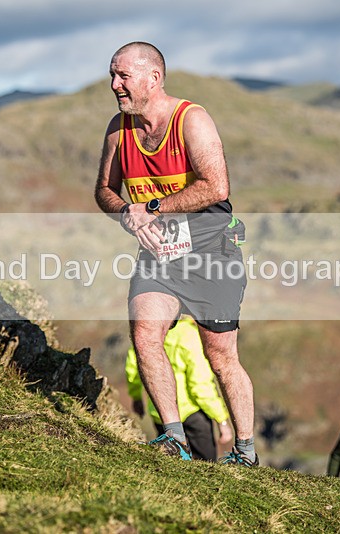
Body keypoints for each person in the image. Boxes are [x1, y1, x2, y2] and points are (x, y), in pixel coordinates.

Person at [94, 41, 257, 466]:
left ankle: (245, 451)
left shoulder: (192, 120)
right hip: (158, 255)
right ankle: (173, 438)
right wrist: (126, 213)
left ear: (154, 77)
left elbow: (216, 187)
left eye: (123, 76)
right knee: (145, 334)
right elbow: (105, 191)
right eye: (112, 75)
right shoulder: (119, 129)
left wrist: (149, 207)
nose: (115, 85)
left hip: (209, 252)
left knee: (220, 357)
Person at [126, 315, 233, 461]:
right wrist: (221, 420)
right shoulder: (190, 335)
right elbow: (200, 386)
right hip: (193, 414)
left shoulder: (151, 331)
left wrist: (136, 397)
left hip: (160, 413)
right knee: (207, 467)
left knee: (171, 464)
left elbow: (134, 369)